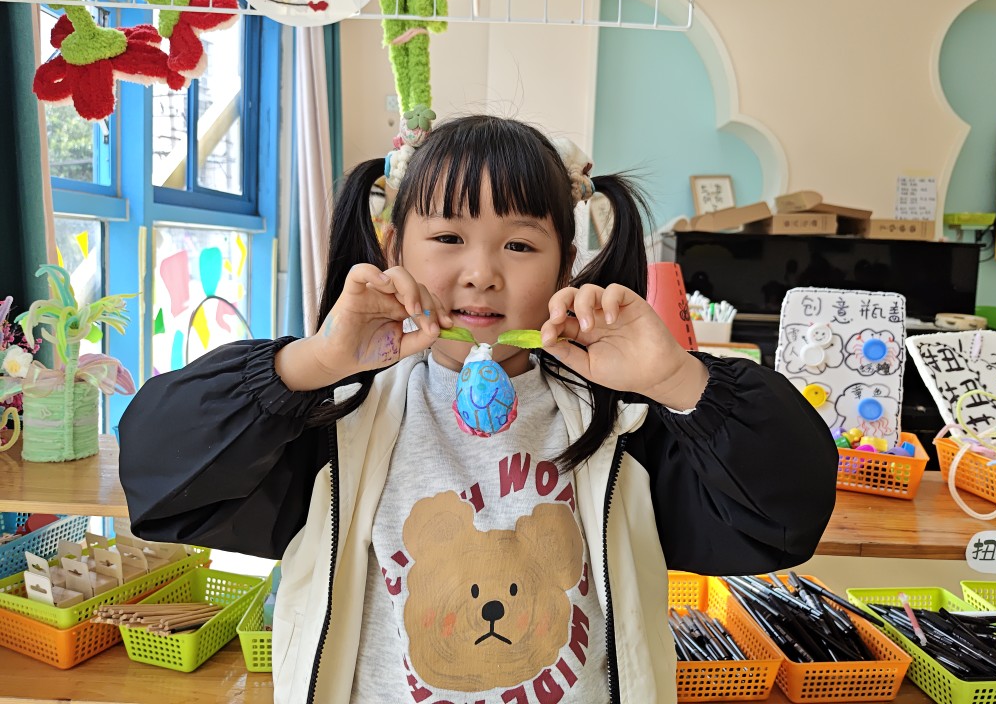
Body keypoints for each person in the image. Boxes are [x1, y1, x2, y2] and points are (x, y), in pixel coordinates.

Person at [119, 115, 837, 704]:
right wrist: (313, 363)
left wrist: (676, 378)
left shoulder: (624, 421)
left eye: (520, 244)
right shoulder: (336, 413)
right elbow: (159, 478)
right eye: (448, 238)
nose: (481, 273)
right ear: (395, 248)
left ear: (565, 265)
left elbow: (785, 516)